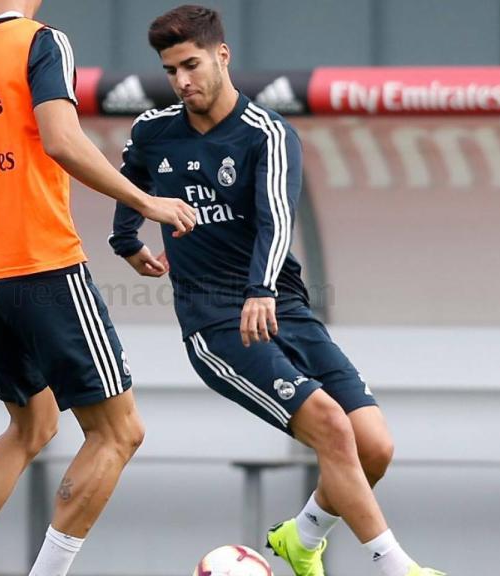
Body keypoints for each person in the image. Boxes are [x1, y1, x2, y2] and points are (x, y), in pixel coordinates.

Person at [109, 6, 444, 576]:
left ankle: (302, 535)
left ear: (222, 55)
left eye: (191, 64)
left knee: (374, 445)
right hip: (215, 322)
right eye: (171, 70)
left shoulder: (266, 133)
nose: (183, 80)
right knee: (333, 427)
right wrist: (126, 239)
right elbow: (131, 178)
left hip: (280, 305)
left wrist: (262, 289)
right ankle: (398, 569)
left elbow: (276, 219)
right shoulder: (153, 130)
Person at [0, 2, 197, 576]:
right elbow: (61, 140)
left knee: (30, 425)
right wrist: (146, 201)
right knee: (118, 432)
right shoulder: (41, 42)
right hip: (42, 266)